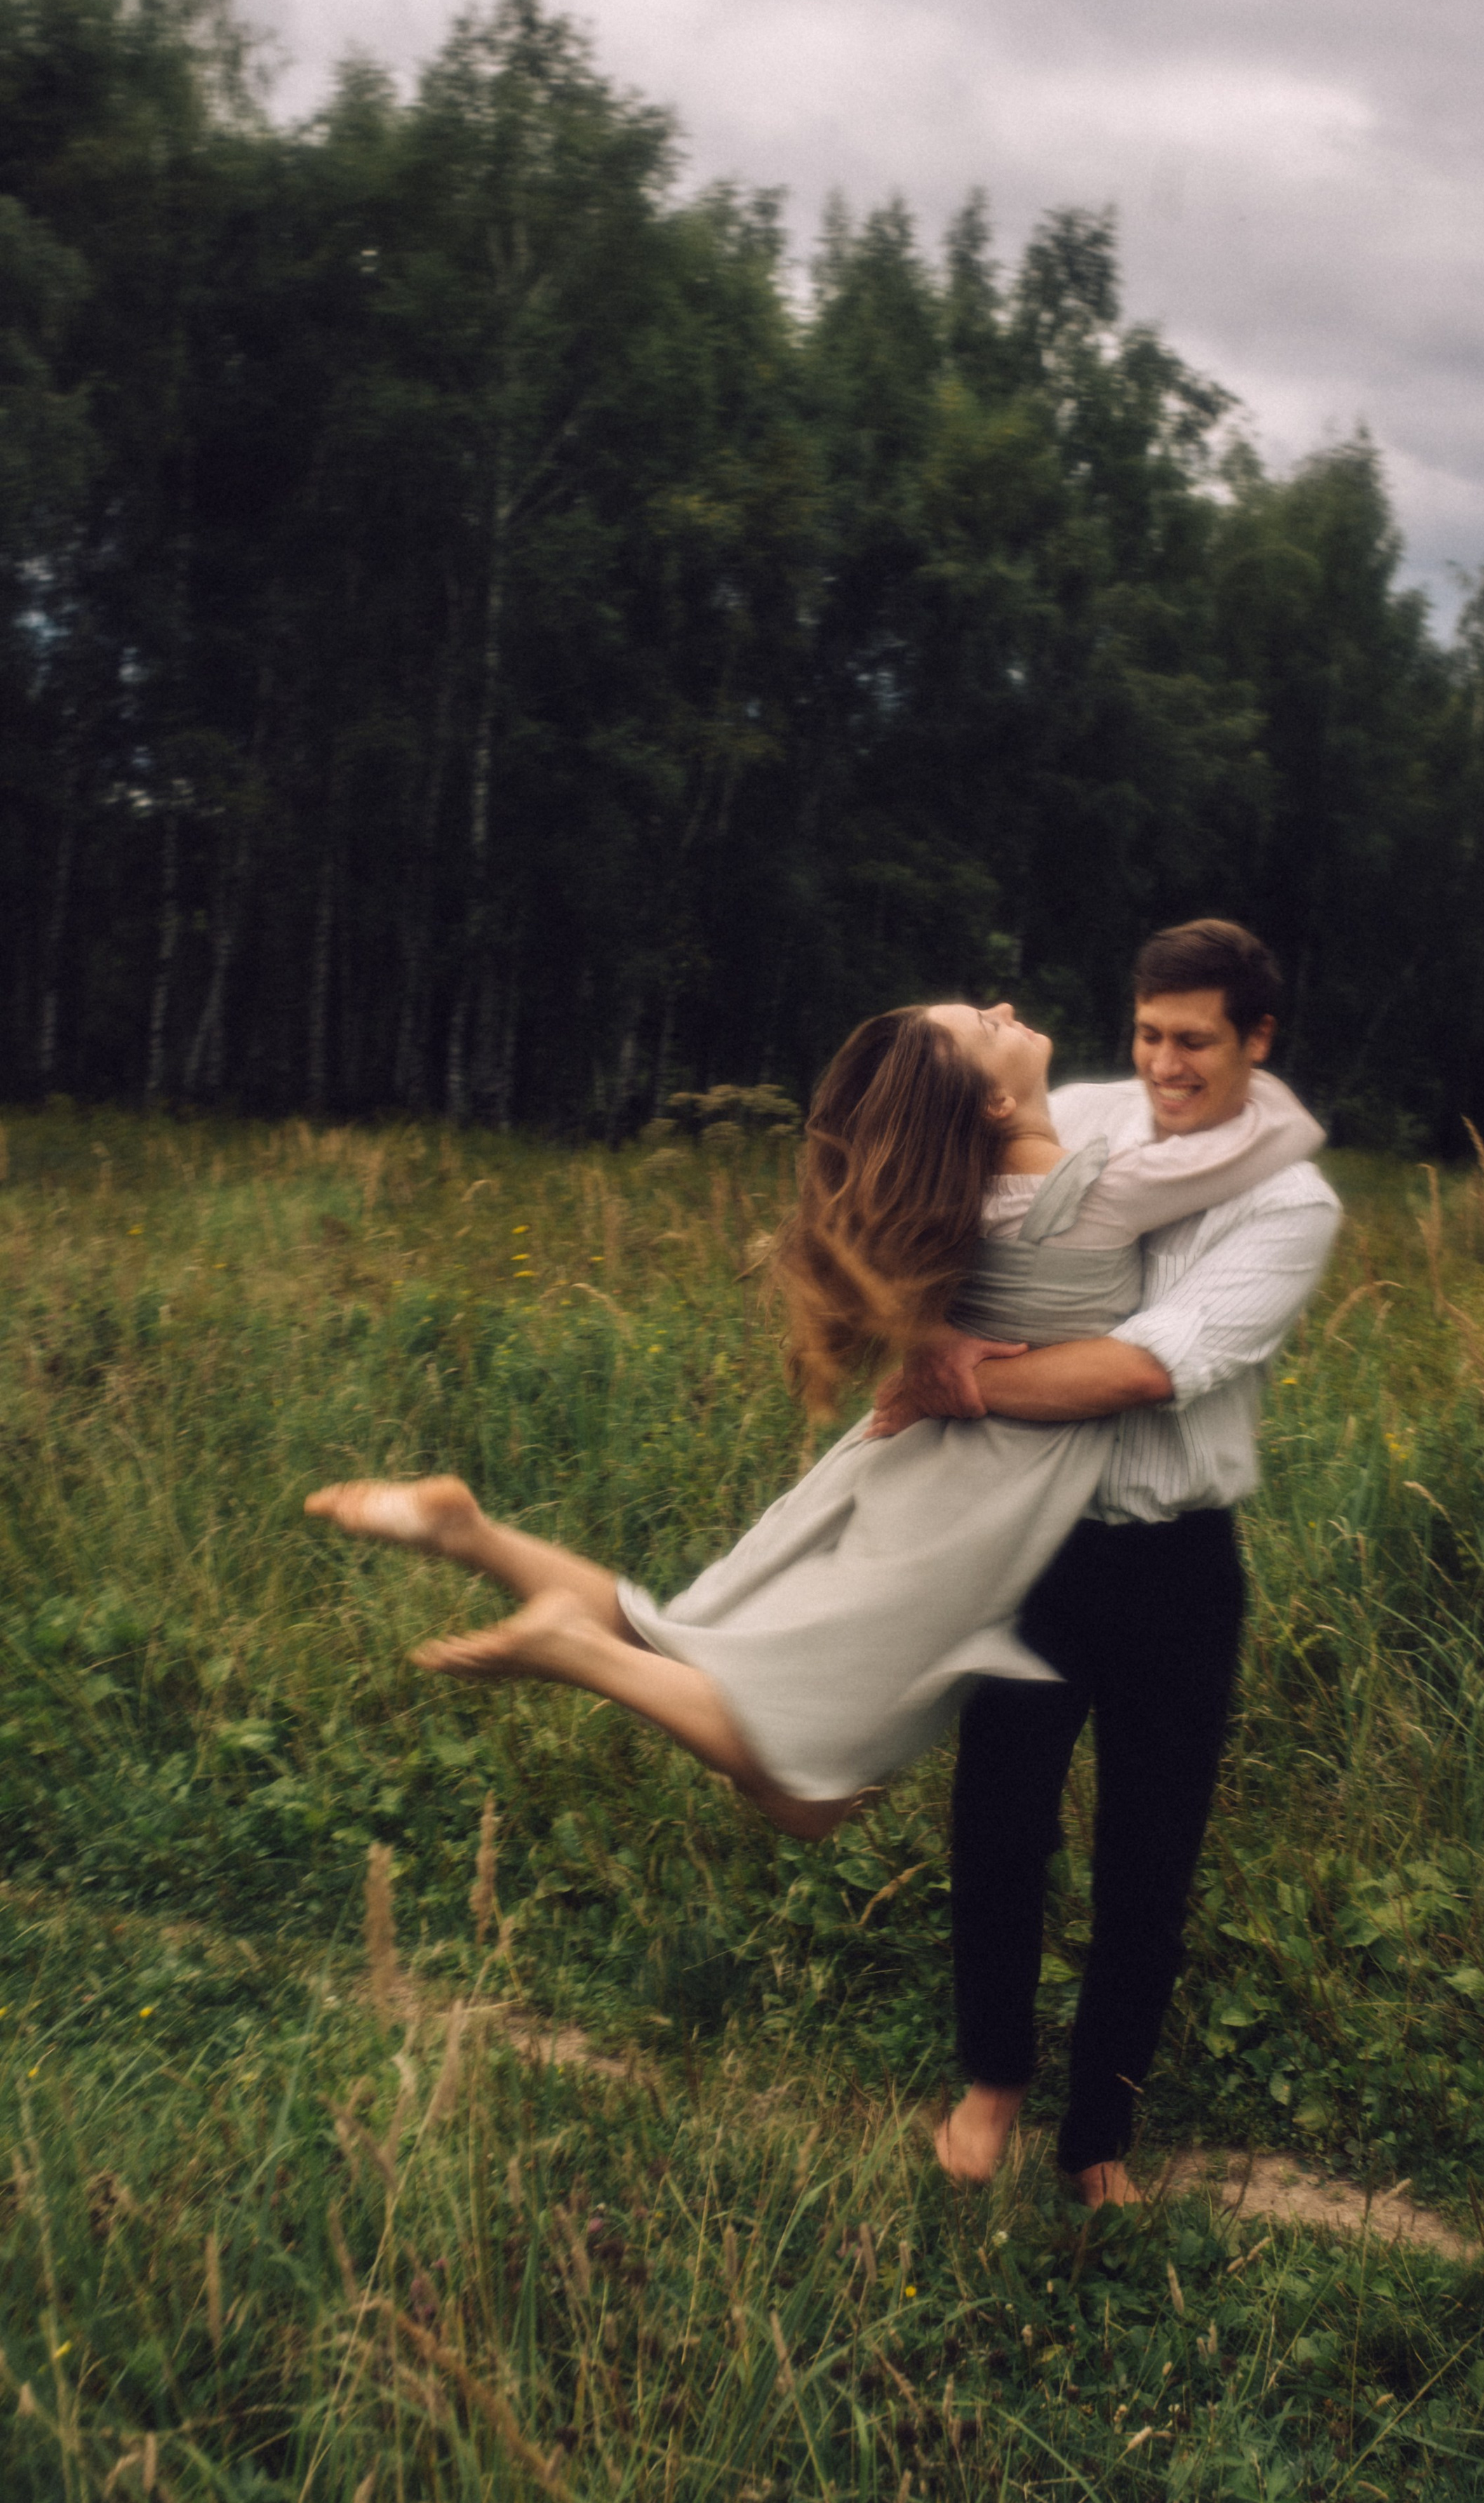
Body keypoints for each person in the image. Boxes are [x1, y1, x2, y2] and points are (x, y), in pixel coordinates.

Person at [305, 986, 1323, 1851]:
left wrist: (932, 1342)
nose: (1007, 1007)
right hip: (981, 1504)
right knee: (808, 1790)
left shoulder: (961, 1197)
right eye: (986, 1022)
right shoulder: (1093, 1192)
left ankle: (471, 1533)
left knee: (697, 1642)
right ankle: (576, 1650)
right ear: (997, 1098)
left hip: (911, 1462)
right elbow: (1253, 1151)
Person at [875, 920, 1341, 2207]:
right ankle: (992, 2088)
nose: (1166, 1064)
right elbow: (928, 1169)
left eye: (1195, 1041)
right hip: (1039, 1546)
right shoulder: (1083, 1115)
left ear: (1257, 1039)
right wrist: (912, 1318)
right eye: (1148, 1034)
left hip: (1180, 1569)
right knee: (999, 1824)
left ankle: (1098, 2142)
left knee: (1150, 1855)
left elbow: (1139, 1371)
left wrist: (958, 1376)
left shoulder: (1290, 1203)